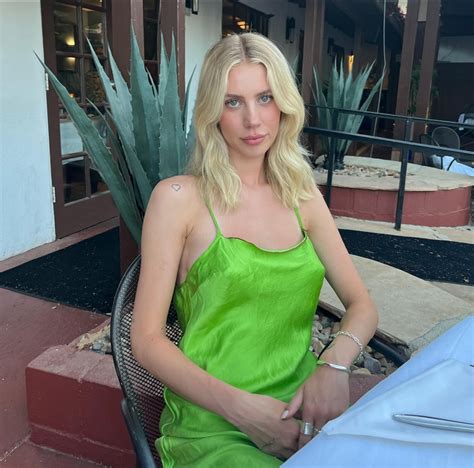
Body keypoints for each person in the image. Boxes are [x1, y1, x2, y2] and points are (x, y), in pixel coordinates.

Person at [130, 32, 378, 467]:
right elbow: (147, 341)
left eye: (265, 98)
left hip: (303, 412)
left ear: (284, 104)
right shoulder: (178, 199)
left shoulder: (302, 195)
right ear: (212, 112)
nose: (253, 120)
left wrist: (334, 366)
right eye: (233, 102)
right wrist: (243, 411)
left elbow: (362, 305)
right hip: (214, 423)